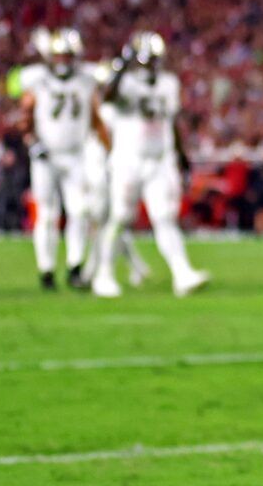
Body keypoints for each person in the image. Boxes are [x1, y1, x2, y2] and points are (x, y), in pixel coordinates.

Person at [90, 31, 208, 298]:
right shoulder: (126, 83)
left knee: (165, 218)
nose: (153, 65)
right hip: (128, 159)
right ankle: (103, 274)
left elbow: (172, 122)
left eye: (155, 59)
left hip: (160, 160)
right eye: (148, 60)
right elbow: (107, 96)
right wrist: (121, 66)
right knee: (120, 217)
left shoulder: (168, 83)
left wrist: (182, 156)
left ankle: (182, 274)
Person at [17, 27, 99, 290]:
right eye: (59, 55)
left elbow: (101, 103)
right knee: (46, 214)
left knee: (80, 211)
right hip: (46, 156)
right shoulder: (36, 79)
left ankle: (75, 266)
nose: (63, 61)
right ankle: (46, 270)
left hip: (76, 155)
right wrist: (32, 142)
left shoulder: (87, 79)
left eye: (67, 56)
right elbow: (24, 116)